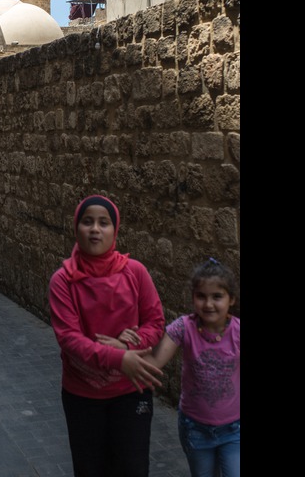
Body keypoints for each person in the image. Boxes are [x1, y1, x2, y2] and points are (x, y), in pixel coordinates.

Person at [48, 194, 166, 477]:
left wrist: (126, 345)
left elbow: (155, 321)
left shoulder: (135, 272)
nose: (95, 229)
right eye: (87, 222)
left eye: (104, 222)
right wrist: (119, 358)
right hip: (82, 395)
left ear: (115, 230)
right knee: (90, 469)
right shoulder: (63, 281)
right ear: (77, 228)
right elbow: (70, 339)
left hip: (130, 390)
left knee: (132, 468)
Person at [132, 258, 240, 477]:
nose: (208, 304)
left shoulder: (238, 332)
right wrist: (122, 354)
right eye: (201, 296)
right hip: (195, 429)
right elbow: (155, 361)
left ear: (231, 299)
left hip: (233, 430)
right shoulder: (184, 327)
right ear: (193, 298)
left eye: (217, 297)